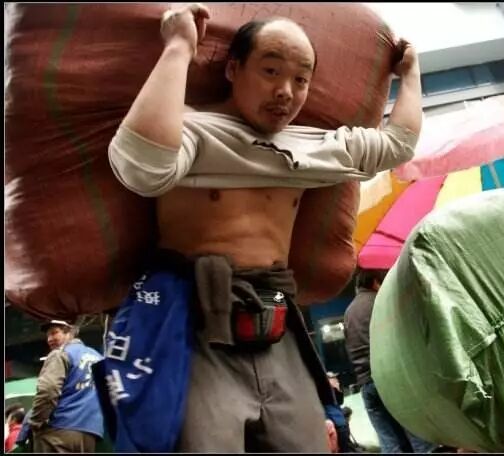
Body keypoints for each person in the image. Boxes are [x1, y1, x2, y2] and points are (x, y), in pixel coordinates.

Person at [100, 2, 423, 453]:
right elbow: (141, 166)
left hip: (277, 327)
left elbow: (397, 144)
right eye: (271, 71)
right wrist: (179, 46)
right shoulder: (192, 130)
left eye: (301, 80)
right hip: (198, 332)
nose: (285, 92)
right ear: (233, 68)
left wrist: (410, 72)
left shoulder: (314, 148)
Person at [344, 269, 437, 453]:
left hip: (366, 385)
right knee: (420, 439)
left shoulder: (349, 312)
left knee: (390, 445)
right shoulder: (381, 302)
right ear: (375, 282)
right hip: (391, 380)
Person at [29, 320, 104, 453]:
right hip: (90, 434)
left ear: (69, 332)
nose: (49, 339)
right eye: (48, 335)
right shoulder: (98, 357)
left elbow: (48, 390)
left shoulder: (60, 353)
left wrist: (35, 422)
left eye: (54, 333)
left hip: (58, 431)